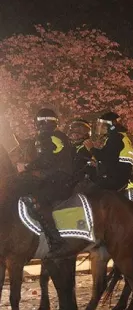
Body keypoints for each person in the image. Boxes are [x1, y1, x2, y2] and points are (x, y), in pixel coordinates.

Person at [19, 108, 74, 252]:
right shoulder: (61, 136)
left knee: (39, 200)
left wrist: (26, 166)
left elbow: (45, 160)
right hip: (63, 178)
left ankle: (55, 238)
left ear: (39, 123)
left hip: (55, 180)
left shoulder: (44, 137)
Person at [82, 112, 133, 191]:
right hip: (119, 175)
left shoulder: (116, 138)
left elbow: (105, 158)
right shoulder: (121, 137)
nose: (99, 127)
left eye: (102, 125)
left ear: (111, 126)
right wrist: (97, 164)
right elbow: (111, 159)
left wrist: (91, 148)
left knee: (88, 191)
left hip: (115, 178)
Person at [67, 118, 94, 183]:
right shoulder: (67, 146)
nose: (75, 136)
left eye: (78, 134)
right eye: (73, 133)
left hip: (81, 182)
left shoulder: (88, 148)